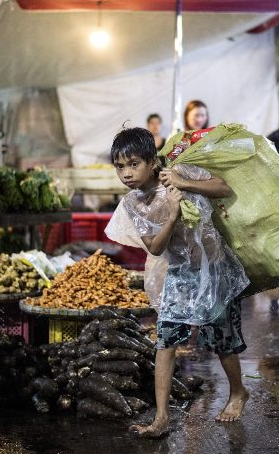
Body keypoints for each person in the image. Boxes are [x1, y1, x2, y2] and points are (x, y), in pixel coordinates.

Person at [105, 127, 250, 438]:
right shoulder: (133, 203)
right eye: (120, 166)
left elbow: (223, 187)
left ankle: (238, 392)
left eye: (134, 164)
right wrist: (171, 215)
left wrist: (184, 182)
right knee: (166, 341)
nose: (127, 173)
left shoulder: (179, 171)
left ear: (152, 162)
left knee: (222, 339)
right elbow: (155, 248)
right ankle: (161, 418)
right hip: (180, 273)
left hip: (214, 270)